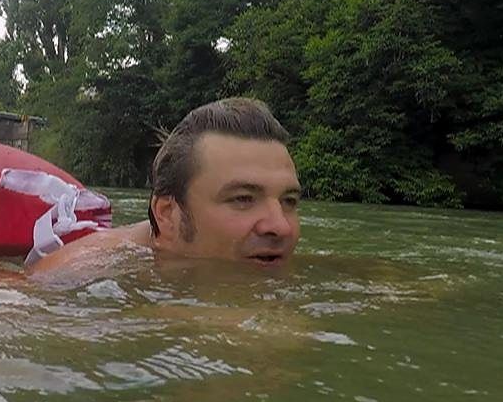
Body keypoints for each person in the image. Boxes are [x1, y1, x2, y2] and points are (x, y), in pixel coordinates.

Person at [27, 97, 302, 276]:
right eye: (243, 199)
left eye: (289, 201)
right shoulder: (78, 270)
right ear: (168, 214)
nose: (281, 227)